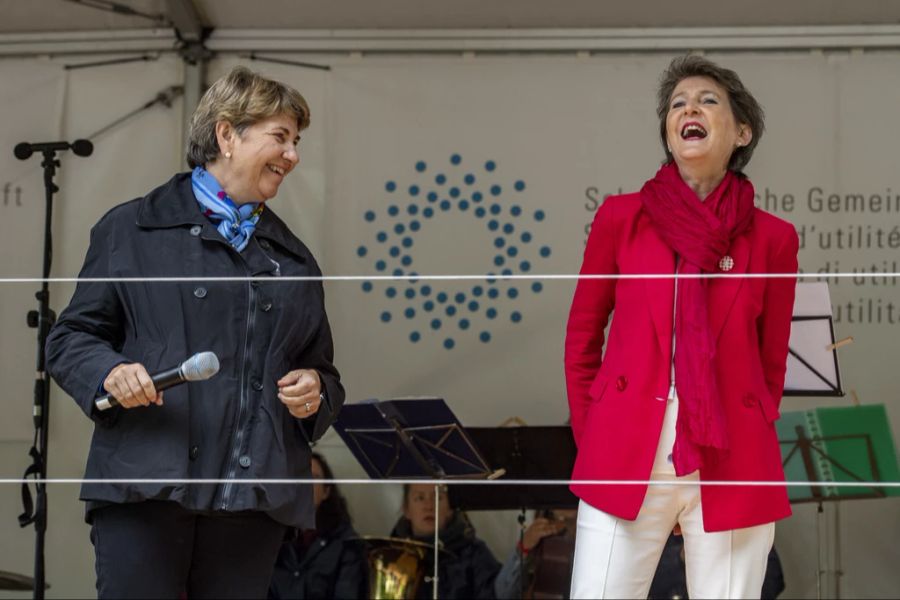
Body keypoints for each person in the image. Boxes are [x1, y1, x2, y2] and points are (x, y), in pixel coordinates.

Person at [46, 66, 344, 599]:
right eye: (280, 137)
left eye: (296, 141)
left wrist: (314, 390)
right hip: (147, 489)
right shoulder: (129, 229)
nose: (293, 155)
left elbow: (323, 373)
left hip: (252, 501)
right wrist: (110, 373)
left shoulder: (296, 261)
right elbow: (70, 339)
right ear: (227, 134)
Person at [564, 55, 798, 599]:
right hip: (623, 448)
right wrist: (595, 434)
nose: (689, 108)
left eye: (708, 100)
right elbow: (581, 341)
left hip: (733, 455)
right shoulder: (620, 219)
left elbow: (771, 362)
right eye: (677, 104)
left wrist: (750, 419)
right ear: (670, 132)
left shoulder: (774, 238)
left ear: (742, 132)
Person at [269, 453, 367, 599]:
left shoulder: (347, 544)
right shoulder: (272, 537)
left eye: (314, 477)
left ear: (326, 491)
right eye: (300, 476)